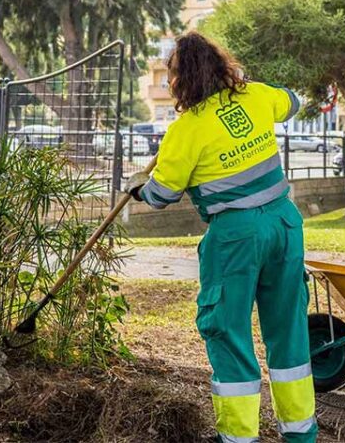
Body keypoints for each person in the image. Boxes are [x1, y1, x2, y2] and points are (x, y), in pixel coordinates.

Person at [126, 32, 317, 443]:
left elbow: (161, 196)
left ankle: (239, 437)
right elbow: (294, 101)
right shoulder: (256, 96)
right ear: (220, 64)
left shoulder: (186, 130)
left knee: (227, 332)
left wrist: (138, 185)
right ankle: (300, 434)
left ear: (180, 81)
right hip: (284, 223)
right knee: (288, 331)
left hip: (235, 236)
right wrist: (247, 84)